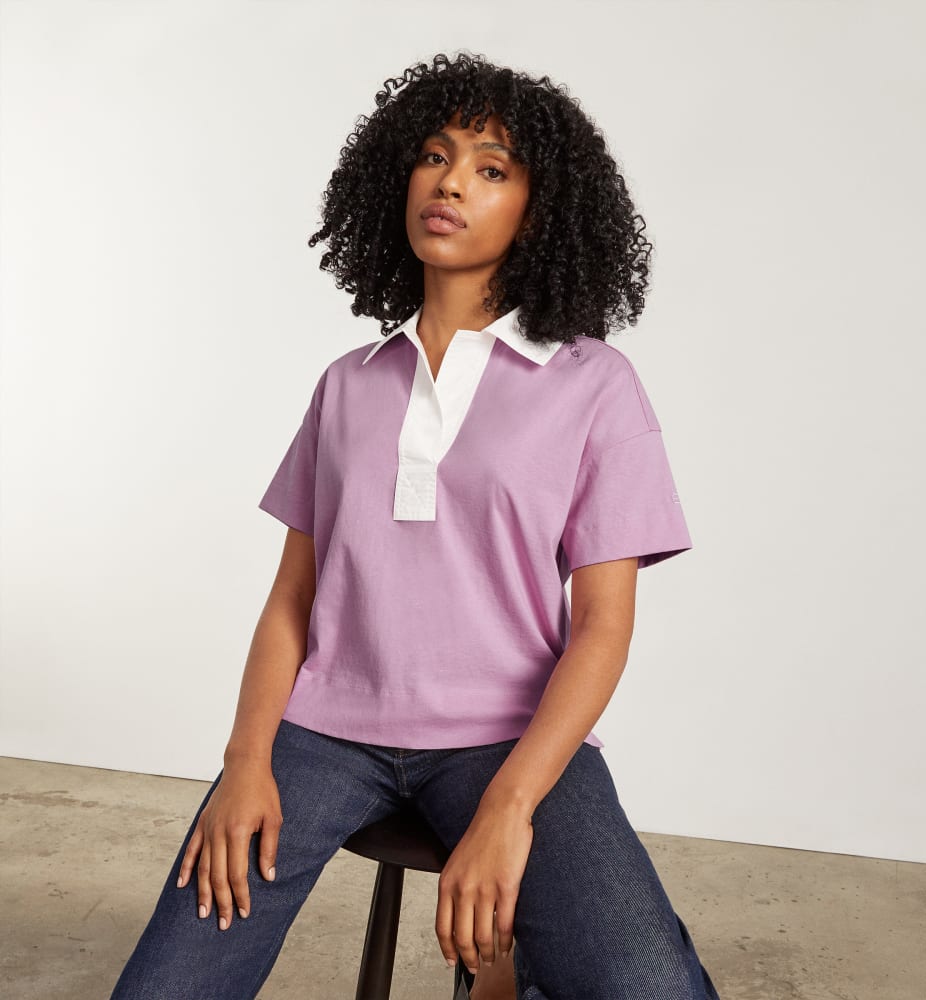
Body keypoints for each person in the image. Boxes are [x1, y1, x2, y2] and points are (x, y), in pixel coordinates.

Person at [110, 51, 721, 1000]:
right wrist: (244, 763)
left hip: (510, 737)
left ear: (538, 212)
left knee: (647, 986)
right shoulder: (348, 384)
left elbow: (603, 627)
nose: (450, 182)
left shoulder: (595, 385)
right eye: (435, 157)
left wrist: (510, 807)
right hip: (322, 734)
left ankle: (515, 962)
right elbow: (293, 600)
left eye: (491, 168)